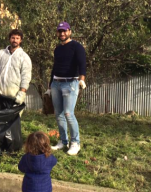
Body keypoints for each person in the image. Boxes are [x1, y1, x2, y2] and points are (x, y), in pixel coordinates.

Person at [47, 21, 87, 156]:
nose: (62, 33)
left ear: (69, 31)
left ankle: (75, 143)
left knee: (69, 114)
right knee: (58, 115)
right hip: (56, 83)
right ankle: (63, 141)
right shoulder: (57, 49)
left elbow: (82, 63)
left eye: (65, 31)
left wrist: (82, 79)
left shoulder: (77, 47)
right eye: (60, 31)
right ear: (57, 33)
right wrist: (49, 85)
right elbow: (54, 68)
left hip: (70, 84)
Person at [0, 29, 32, 105]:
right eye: (13, 38)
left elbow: (26, 76)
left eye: (17, 38)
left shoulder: (24, 57)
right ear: (9, 39)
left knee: (11, 116)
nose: (15, 40)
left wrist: (22, 92)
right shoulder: (1, 53)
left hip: (14, 93)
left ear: (21, 40)